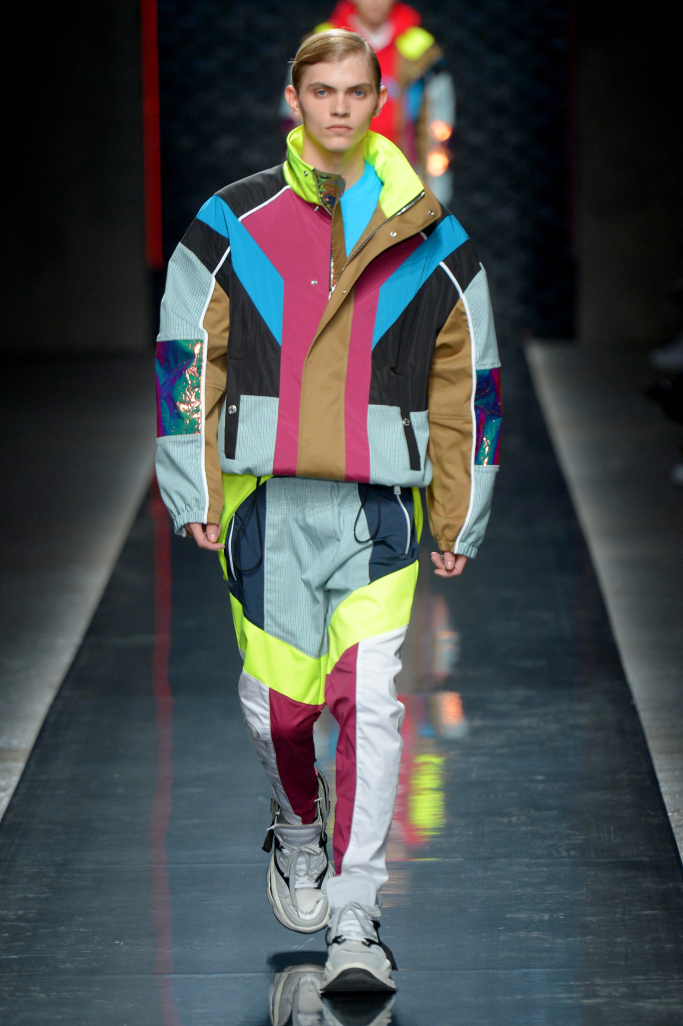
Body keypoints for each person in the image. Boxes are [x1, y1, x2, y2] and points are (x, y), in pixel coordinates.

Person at [155, 29, 501, 995]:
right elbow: (185, 360)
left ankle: (357, 913)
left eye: (355, 91)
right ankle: (297, 828)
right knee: (280, 714)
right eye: (322, 91)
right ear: (294, 99)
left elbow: (470, 385)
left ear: (377, 100)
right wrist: (192, 487)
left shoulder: (435, 237)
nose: (339, 107)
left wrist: (458, 511)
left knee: (373, 704)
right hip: (266, 504)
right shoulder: (230, 223)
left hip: (380, 508)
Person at [310, 1, 455, 203]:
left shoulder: (421, 49)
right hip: (334, 180)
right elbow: (295, 120)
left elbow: (438, 126)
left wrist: (436, 194)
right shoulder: (321, 44)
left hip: (401, 179)